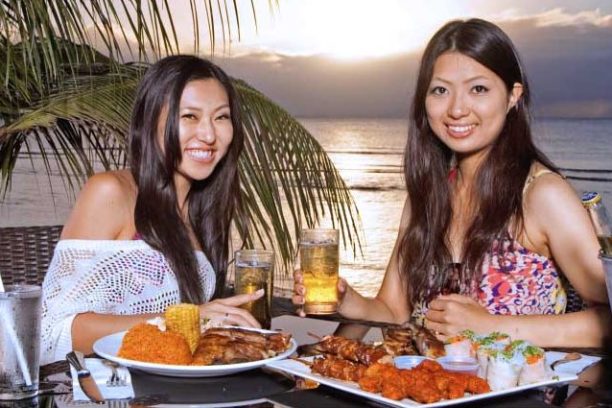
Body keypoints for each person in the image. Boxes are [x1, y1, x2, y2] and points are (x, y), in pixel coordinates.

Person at [293, 18, 610, 347]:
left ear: (513, 96)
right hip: (425, 391)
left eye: (478, 89)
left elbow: (608, 314)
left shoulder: (542, 195)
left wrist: (492, 327)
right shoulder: (428, 196)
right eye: (441, 90)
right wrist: (347, 301)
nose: (457, 109)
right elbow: (393, 309)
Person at [40, 55, 263, 364]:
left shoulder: (200, 211)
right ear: (150, 122)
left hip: (173, 388)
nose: (209, 135)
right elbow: (51, 330)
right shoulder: (112, 192)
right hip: (105, 393)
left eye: (221, 117)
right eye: (189, 116)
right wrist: (181, 318)